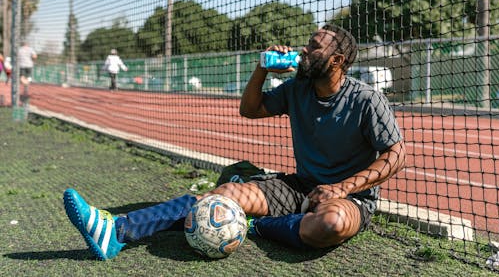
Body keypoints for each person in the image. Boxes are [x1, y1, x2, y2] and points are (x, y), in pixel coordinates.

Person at [63, 24, 406, 260]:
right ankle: (117, 231)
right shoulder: (297, 88)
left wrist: (342, 188)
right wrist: (262, 69)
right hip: (298, 186)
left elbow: (396, 154)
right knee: (222, 195)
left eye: (313, 47)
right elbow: (250, 109)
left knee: (329, 225)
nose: (304, 49)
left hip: (351, 199)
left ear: (336, 61)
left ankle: (259, 227)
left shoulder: (366, 99)